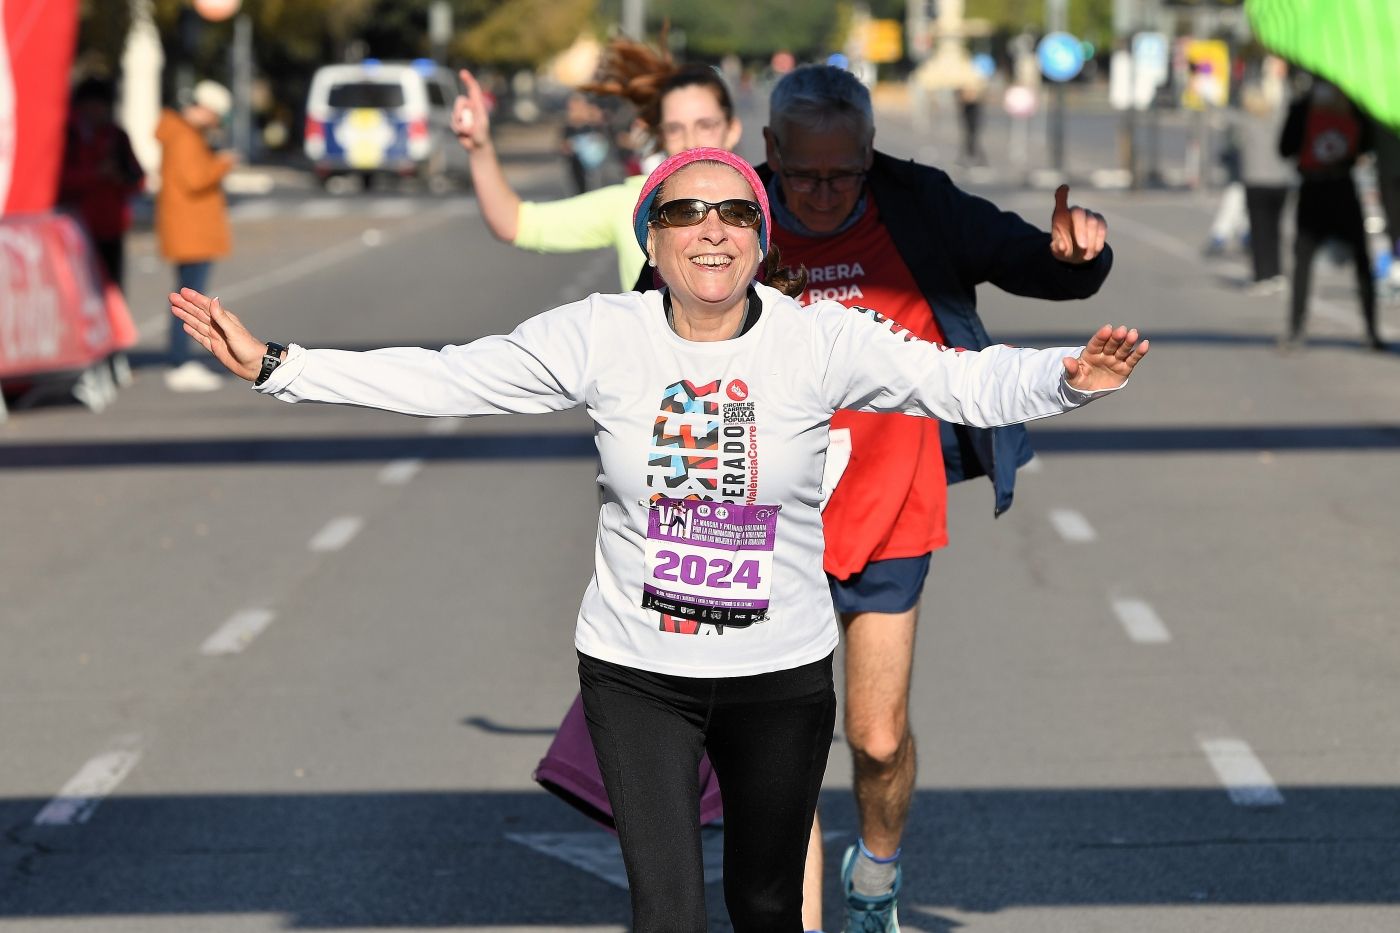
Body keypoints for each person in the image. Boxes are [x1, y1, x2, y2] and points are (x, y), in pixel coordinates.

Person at [170, 147, 1148, 933]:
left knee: (765, 906)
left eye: (733, 216)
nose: (710, 232)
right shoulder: (602, 334)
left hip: (780, 673)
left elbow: (961, 385)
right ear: (652, 239)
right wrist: (277, 367)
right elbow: (447, 378)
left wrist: (1070, 378)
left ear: (761, 243)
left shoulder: (816, 339)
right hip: (637, 674)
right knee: (666, 913)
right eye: (684, 215)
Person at [758, 65, 1114, 933]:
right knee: (781, 747)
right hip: (762, 515)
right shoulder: (735, 212)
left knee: (877, 738)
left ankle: (874, 876)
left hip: (890, 497)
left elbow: (1031, 260)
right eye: (803, 175)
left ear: (871, 156)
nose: (823, 193)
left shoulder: (915, 204)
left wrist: (1079, 257)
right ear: (769, 153)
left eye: (845, 175)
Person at [452, 37, 742, 290]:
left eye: (706, 125)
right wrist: (480, 147)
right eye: (675, 128)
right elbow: (514, 223)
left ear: (732, 129)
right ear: (658, 136)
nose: (691, 141)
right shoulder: (633, 202)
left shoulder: (769, 201)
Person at [1278, 77, 1382, 351]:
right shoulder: (1354, 106)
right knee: (1360, 261)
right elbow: (1367, 145)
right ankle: (1370, 330)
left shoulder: (1304, 106)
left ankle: (1296, 329)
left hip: (1315, 187)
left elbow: (1285, 147)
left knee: (1304, 260)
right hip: (1340, 186)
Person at [156, 79, 237, 392]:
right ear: (204, 110)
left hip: (190, 228)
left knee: (187, 296)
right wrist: (221, 164)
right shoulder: (184, 137)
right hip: (191, 230)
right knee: (189, 300)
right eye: (215, 116)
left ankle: (181, 360)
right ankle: (179, 361)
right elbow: (195, 179)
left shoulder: (183, 134)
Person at [58, 76, 145, 290]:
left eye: (100, 106)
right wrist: (95, 174)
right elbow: (57, 181)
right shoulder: (67, 135)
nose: (95, 111)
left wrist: (119, 178)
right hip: (74, 229)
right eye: (90, 105)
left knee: (111, 294)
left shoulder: (117, 137)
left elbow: (138, 179)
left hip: (110, 228)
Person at [1235, 55, 1295, 295]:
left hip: (1259, 176)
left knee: (1261, 229)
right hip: (1278, 175)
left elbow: (1234, 124)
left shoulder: (1253, 100)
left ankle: (1264, 274)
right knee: (1273, 229)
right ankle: (1273, 273)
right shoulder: (1287, 98)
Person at [560, 92, 611, 194]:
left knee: (596, 187)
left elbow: (603, 139)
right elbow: (563, 146)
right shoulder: (568, 126)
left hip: (594, 164)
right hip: (576, 164)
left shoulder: (593, 123)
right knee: (580, 190)